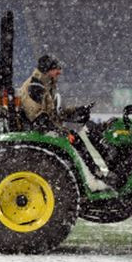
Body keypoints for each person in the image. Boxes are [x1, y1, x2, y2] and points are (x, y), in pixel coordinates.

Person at [19, 55, 116, 185]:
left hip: (44, 127)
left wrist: (77, 110)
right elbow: (39, 117)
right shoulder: (35, 87)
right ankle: (93, 176)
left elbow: (54, 113)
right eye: (56, 69)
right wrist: (61, 131)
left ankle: (96, 172)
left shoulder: (46, 84)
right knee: (74, 138)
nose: (60, 72)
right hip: (38, 130)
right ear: (47, 69)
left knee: (80, 133)